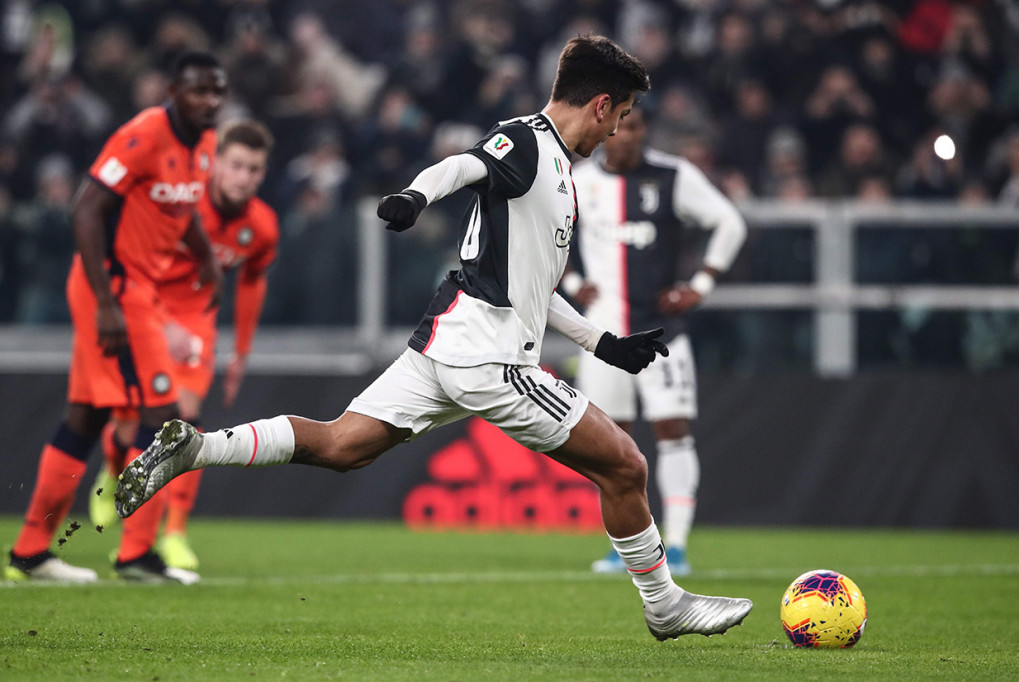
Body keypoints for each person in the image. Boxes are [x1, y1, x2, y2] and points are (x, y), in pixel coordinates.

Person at [116, 35, 753, 639]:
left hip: (448, 345)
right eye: (622, 114)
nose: (617, 130)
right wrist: (415, 196)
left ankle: (197, 449)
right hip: (491, 359)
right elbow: (466, 163)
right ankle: (666, 607)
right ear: (601, 104)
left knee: (342, 444)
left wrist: (602, 344)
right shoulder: (528, 141)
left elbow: (534, 287)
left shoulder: (556, 165)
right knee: (626, 465)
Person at [4, 52, 227, 584]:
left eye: (217, 91)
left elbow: (185, 207)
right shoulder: (143, 134)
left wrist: (206, 257)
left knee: (87, 415)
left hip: (137, 291)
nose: (210, 101)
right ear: (173, 90)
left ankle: (30, 552)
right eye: (199, 90)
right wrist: (105, 300)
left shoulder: (206, 142)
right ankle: (135, 556)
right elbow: (86, 207)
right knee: (165, 419)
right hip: (116, 290)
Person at [563, 104, 747, 576]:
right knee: (609, 445)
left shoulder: (673, 176)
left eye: (636, 127)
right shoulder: (580, 180)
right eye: (619, 127)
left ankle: (679, 544)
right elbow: (549, 238)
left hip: (663, 333)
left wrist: (700, 284)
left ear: (646, 132)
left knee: (672, 430)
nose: (626, 137)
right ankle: (625, 547)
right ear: (605, 131)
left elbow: (730, 222)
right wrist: (572, 282)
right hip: (602, 336)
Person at [88, 119, 279, 572]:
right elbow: (134, 256)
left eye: (254, 169)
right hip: (145, 306)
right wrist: (155, 317)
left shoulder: (262, 226)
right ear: (217, 165)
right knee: (126, 424)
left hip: (197, 321)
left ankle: (173, 533)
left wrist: (241, 352)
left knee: (183, 423)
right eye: (236, 165)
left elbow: (252, 282)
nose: (244, 177)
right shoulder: (180, 206)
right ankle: (114, 467)